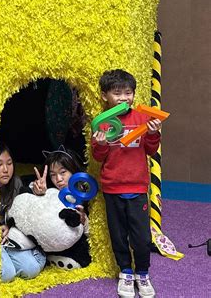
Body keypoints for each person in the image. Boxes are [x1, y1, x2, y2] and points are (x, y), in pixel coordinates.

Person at [92, 69, 162, 298]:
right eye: (117, 93)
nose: (124, 98)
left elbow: (150, 150)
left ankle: (142, 273)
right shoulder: (102, 122)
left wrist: (153, 134)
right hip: (112, 187)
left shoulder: (142, 117)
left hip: (138, 186)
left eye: (128, 92)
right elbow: (98, 157)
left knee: (142, 237)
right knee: (118, 234)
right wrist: (101, 144)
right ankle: (126, 272)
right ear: (104, 96)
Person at [0, 144, 46, 283]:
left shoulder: (16, 183)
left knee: (32, 269)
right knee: (7, 274)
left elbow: (24, 213)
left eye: (9, 163)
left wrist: (38, 194)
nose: (5, 170)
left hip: (9, 239)